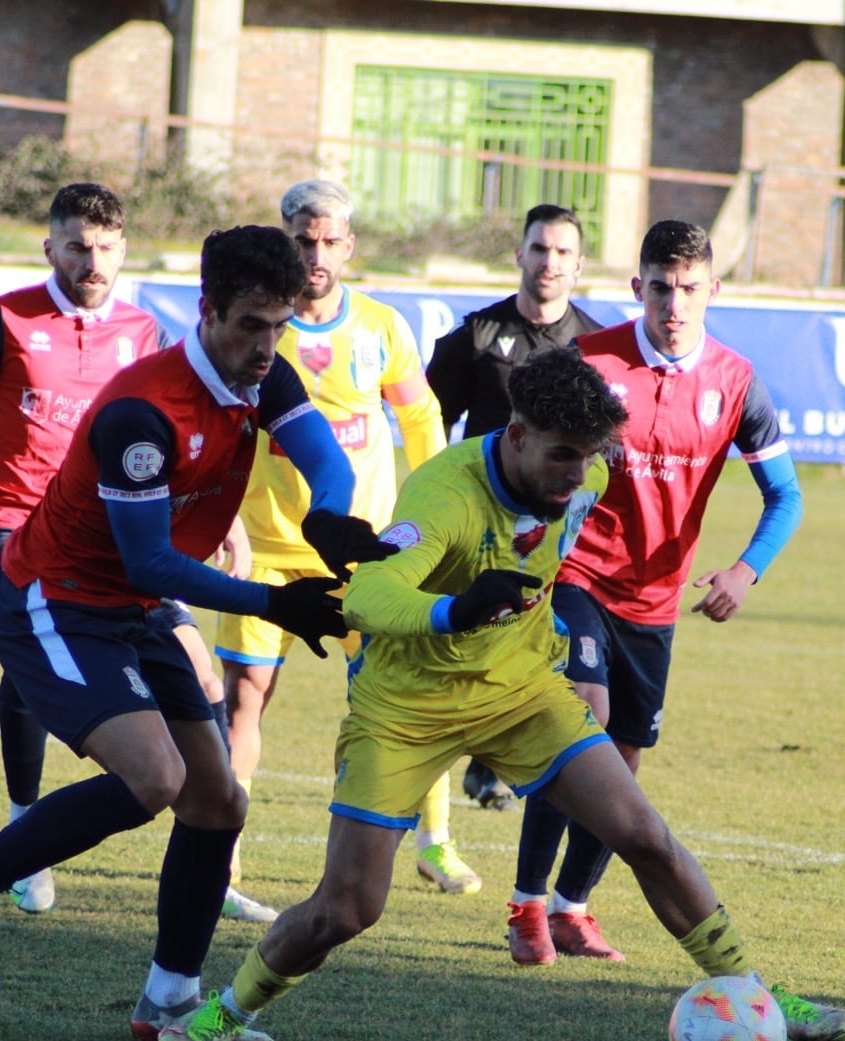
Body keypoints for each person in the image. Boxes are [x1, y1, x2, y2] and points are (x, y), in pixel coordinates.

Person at [159, 345, 845, 1041]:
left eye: (588, 456)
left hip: (520, 691)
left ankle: (759, 996)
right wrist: (455, 610)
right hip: (407, 708)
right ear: (516, 435)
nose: (577, 474)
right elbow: (367, 595)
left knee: (644, 833)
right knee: (346, 910)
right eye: (561, 455)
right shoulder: (446, 495)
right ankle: (226, 1012)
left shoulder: (589, 472)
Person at [0, 225, 393, 1041]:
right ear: (206, 311)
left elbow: (328, 457)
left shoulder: (261, 374)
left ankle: (168, 1000)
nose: (266, 346)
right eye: (249, 324)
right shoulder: (143, 414)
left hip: (133, 610)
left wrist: (328, 517)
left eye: (279, 326)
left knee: (218, 802)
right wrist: (272, 603)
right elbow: (152, 562)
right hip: (55, 600)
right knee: (156, 780)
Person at [506, 219, 803, 968]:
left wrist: (744, 570)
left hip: (656, 599)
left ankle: (573, 906)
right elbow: (530, 451)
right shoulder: (591, 361)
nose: (674, 304)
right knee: (582, 721)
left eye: (690, 289)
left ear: (713, 291)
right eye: (661, 287)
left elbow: (786, 496)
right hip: (576, 576)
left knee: (625, 764)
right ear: (637, 287)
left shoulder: (735, 382)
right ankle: (528, 906)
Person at [214, 180, 477, 903]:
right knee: (245, 698)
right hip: (266, 547)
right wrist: (222, 520)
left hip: (362, 554)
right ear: (285, 238)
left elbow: (421, 421)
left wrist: (435, 519)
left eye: (331, 241)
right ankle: (222, 856)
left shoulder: (381, 328)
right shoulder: (260, 326)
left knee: (412, 691)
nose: (318, 253)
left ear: (350, 246)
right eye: (305, 239)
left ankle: (437, 842)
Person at [0, 182, 165, 914]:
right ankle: (26, 833)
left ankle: (40, 831)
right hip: (10, 524)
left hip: (101, 530)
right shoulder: (4, 321)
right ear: (50, 246)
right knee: (27, 666)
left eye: (107, 248)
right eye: (79, 246)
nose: (94, 260)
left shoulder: (143, 333)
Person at [426, 204, 603, 811]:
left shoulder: (594, 344)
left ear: (579, 264)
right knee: (470, 636)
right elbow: (428, 419)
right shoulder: (477, 335)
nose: (548, 262)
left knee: (532, 638)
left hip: (554, 526)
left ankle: (498, 757)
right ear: (519, 255)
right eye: (539, 249)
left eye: (561, 252)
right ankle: (447, 755)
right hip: (480, 521)